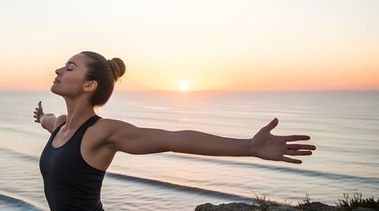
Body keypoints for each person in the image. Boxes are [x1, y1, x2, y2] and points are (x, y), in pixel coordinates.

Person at [33, 51, 316, 211]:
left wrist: (251, 146)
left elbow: (174, 139)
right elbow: (46, 119)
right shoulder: (58, 125)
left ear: (89, 85)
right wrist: (41, 116)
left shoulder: (101, 132)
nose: (58, 69)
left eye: (70, 67)